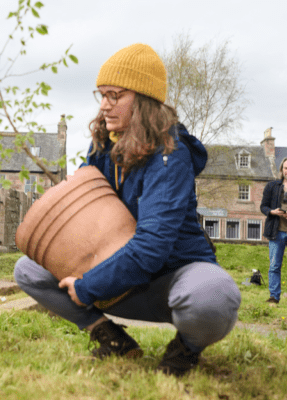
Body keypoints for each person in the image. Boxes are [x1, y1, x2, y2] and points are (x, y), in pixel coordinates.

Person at [14, 43, 241, 376]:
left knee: (214, 294)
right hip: (118, 285)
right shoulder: (103, 148)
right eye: (101, 95)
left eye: (115, 95)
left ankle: (185, 350)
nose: (104, 105)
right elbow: (81, 200)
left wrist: (87, 286)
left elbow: (151, 247)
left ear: (144, 100)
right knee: (28, 269)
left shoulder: (170, 155)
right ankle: (112, 339)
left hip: (170, 282)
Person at [260, 157, 287, 304]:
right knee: (275, 265)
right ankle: (274, 296)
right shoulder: (272, 186)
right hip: (276, 232)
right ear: (282, 170)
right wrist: (272, 212)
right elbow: (263, 206)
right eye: (286, 168)